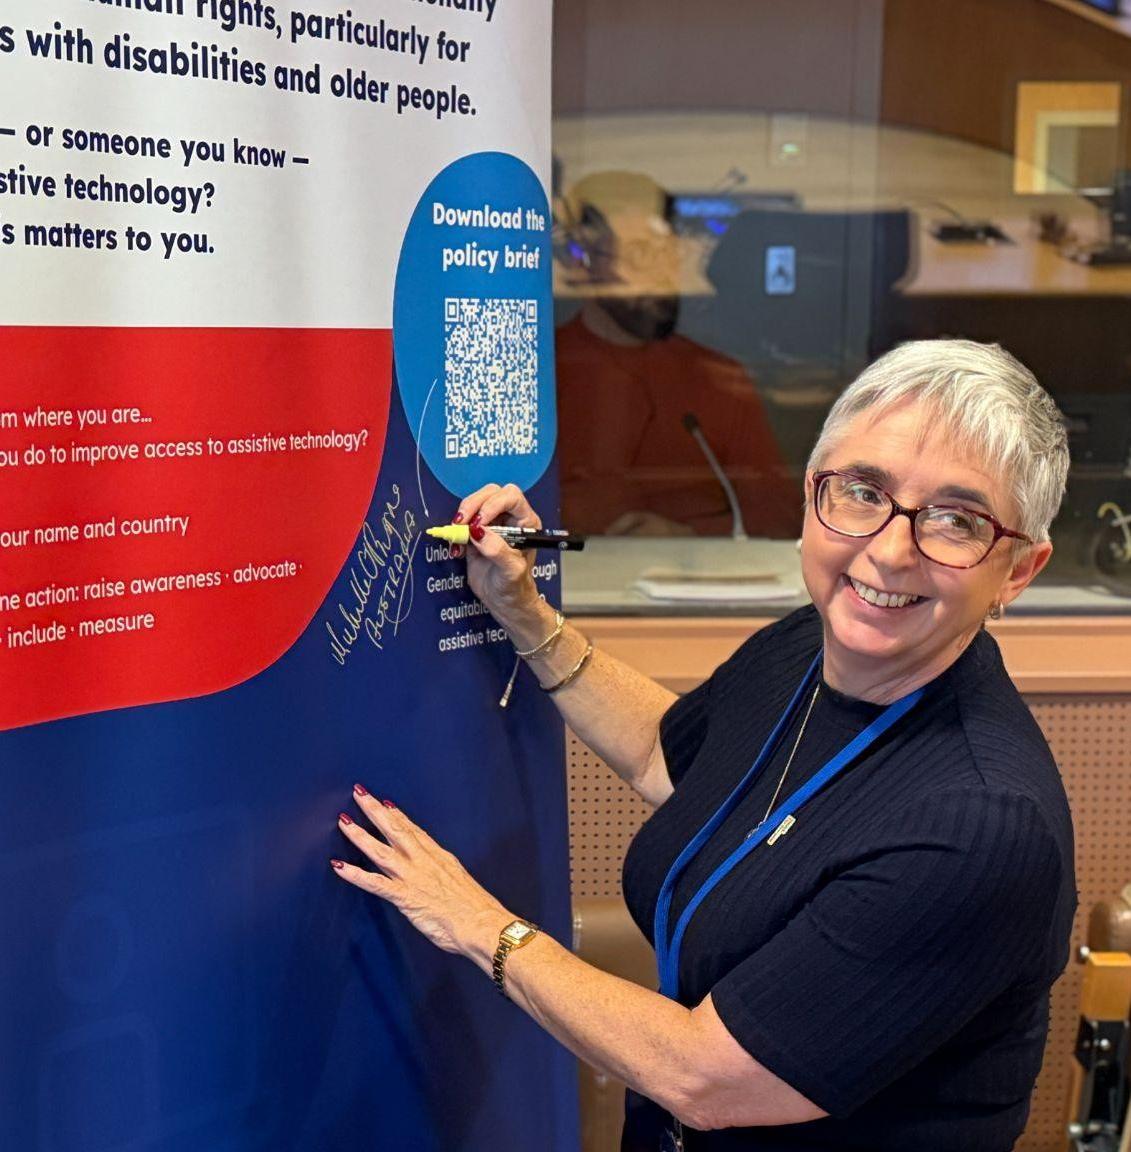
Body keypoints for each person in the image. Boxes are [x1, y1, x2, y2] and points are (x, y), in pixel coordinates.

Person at [332, 339, 1076, 1151]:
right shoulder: (809, 644)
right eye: (863, 492)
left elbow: (706, 1078)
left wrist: (476, 923)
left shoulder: (980, 829)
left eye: (955, 520)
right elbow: (673, 757)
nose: (889, 551)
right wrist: (526, 618)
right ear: (810, 495)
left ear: (1017, 570)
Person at [554, 170, 799, 537]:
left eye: (668, 252)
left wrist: (686, 539)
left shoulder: (719, 380)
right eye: (638, 254)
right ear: (583, 261)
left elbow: (781, 523)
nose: (660, 274)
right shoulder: (542, 373)